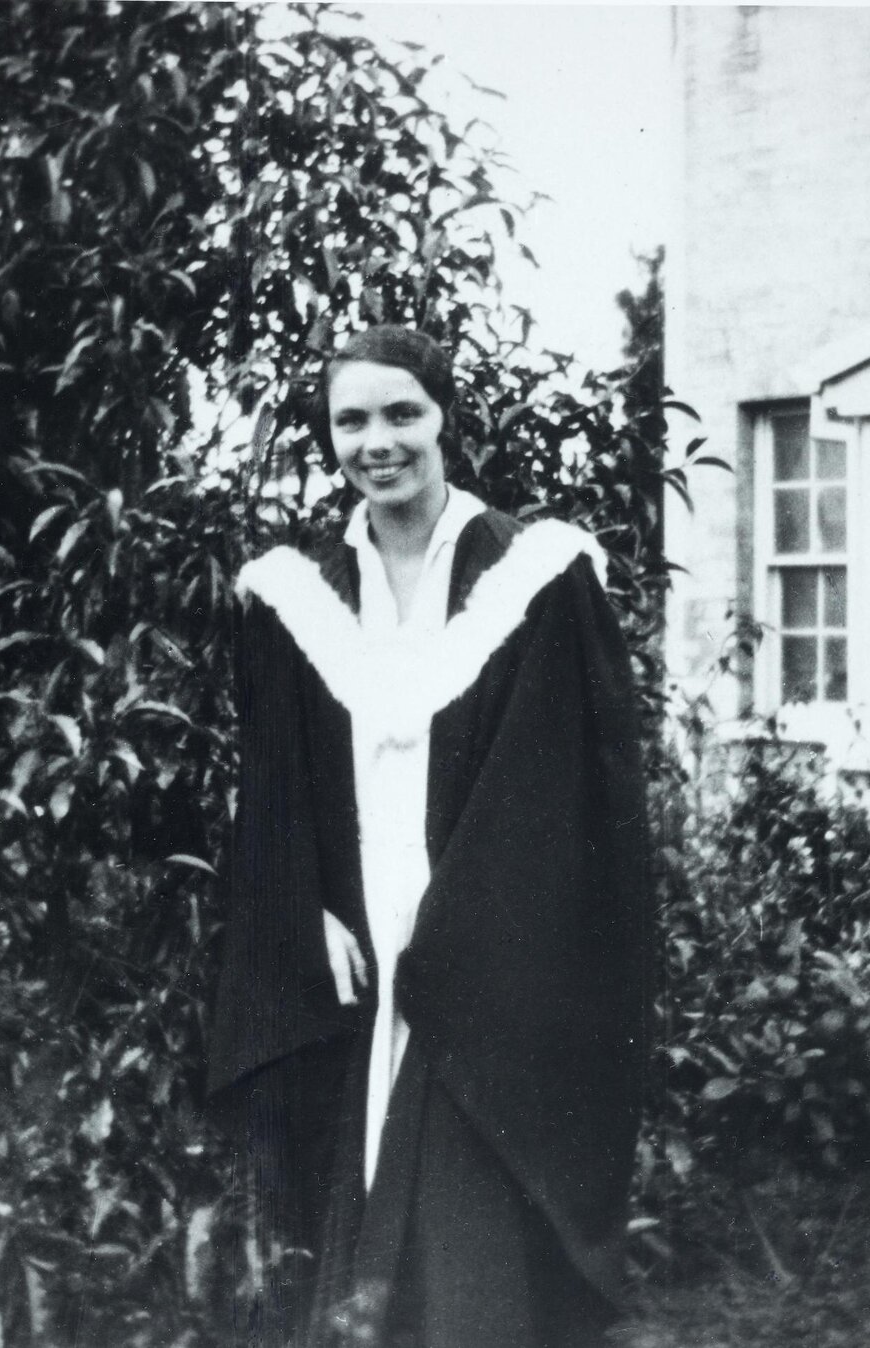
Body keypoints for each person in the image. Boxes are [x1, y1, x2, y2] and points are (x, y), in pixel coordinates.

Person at [209, 326, 652, 1348]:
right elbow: (274, 784)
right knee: (350, 1197)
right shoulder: (297, 593)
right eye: (350, 419)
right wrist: (306, 906)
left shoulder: (536, 577)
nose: (378, 440)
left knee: (465, 1221)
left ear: (445, 415)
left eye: (401, 412)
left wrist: (466, 934)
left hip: (487, 940)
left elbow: (575, 795)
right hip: (358, 939)